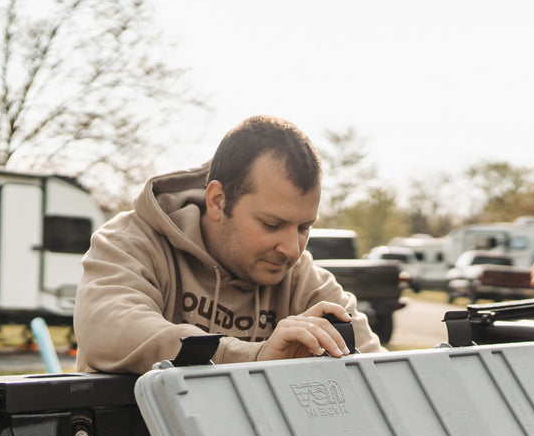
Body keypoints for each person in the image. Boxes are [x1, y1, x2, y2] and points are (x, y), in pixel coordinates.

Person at [74, 116, 383, 373]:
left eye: (304, 227)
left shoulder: (304, 281)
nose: (291, 249)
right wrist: (254, 358)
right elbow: (107, 331)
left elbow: (379, 370)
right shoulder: (131, 243)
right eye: (271, 225)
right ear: (218, 201)